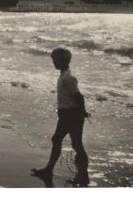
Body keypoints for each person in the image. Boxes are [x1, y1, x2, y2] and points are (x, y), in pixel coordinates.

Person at [32, 47, 90, 187]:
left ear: (62, 61)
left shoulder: (68, 78)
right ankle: (49, 170)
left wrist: (82, 113)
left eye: (55, 60)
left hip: (72, 115)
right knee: (60, 140)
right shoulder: (64, 75)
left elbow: (79, 97)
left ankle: (83, 176)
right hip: (66, 115)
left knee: (76, 144)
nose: (53, 63)